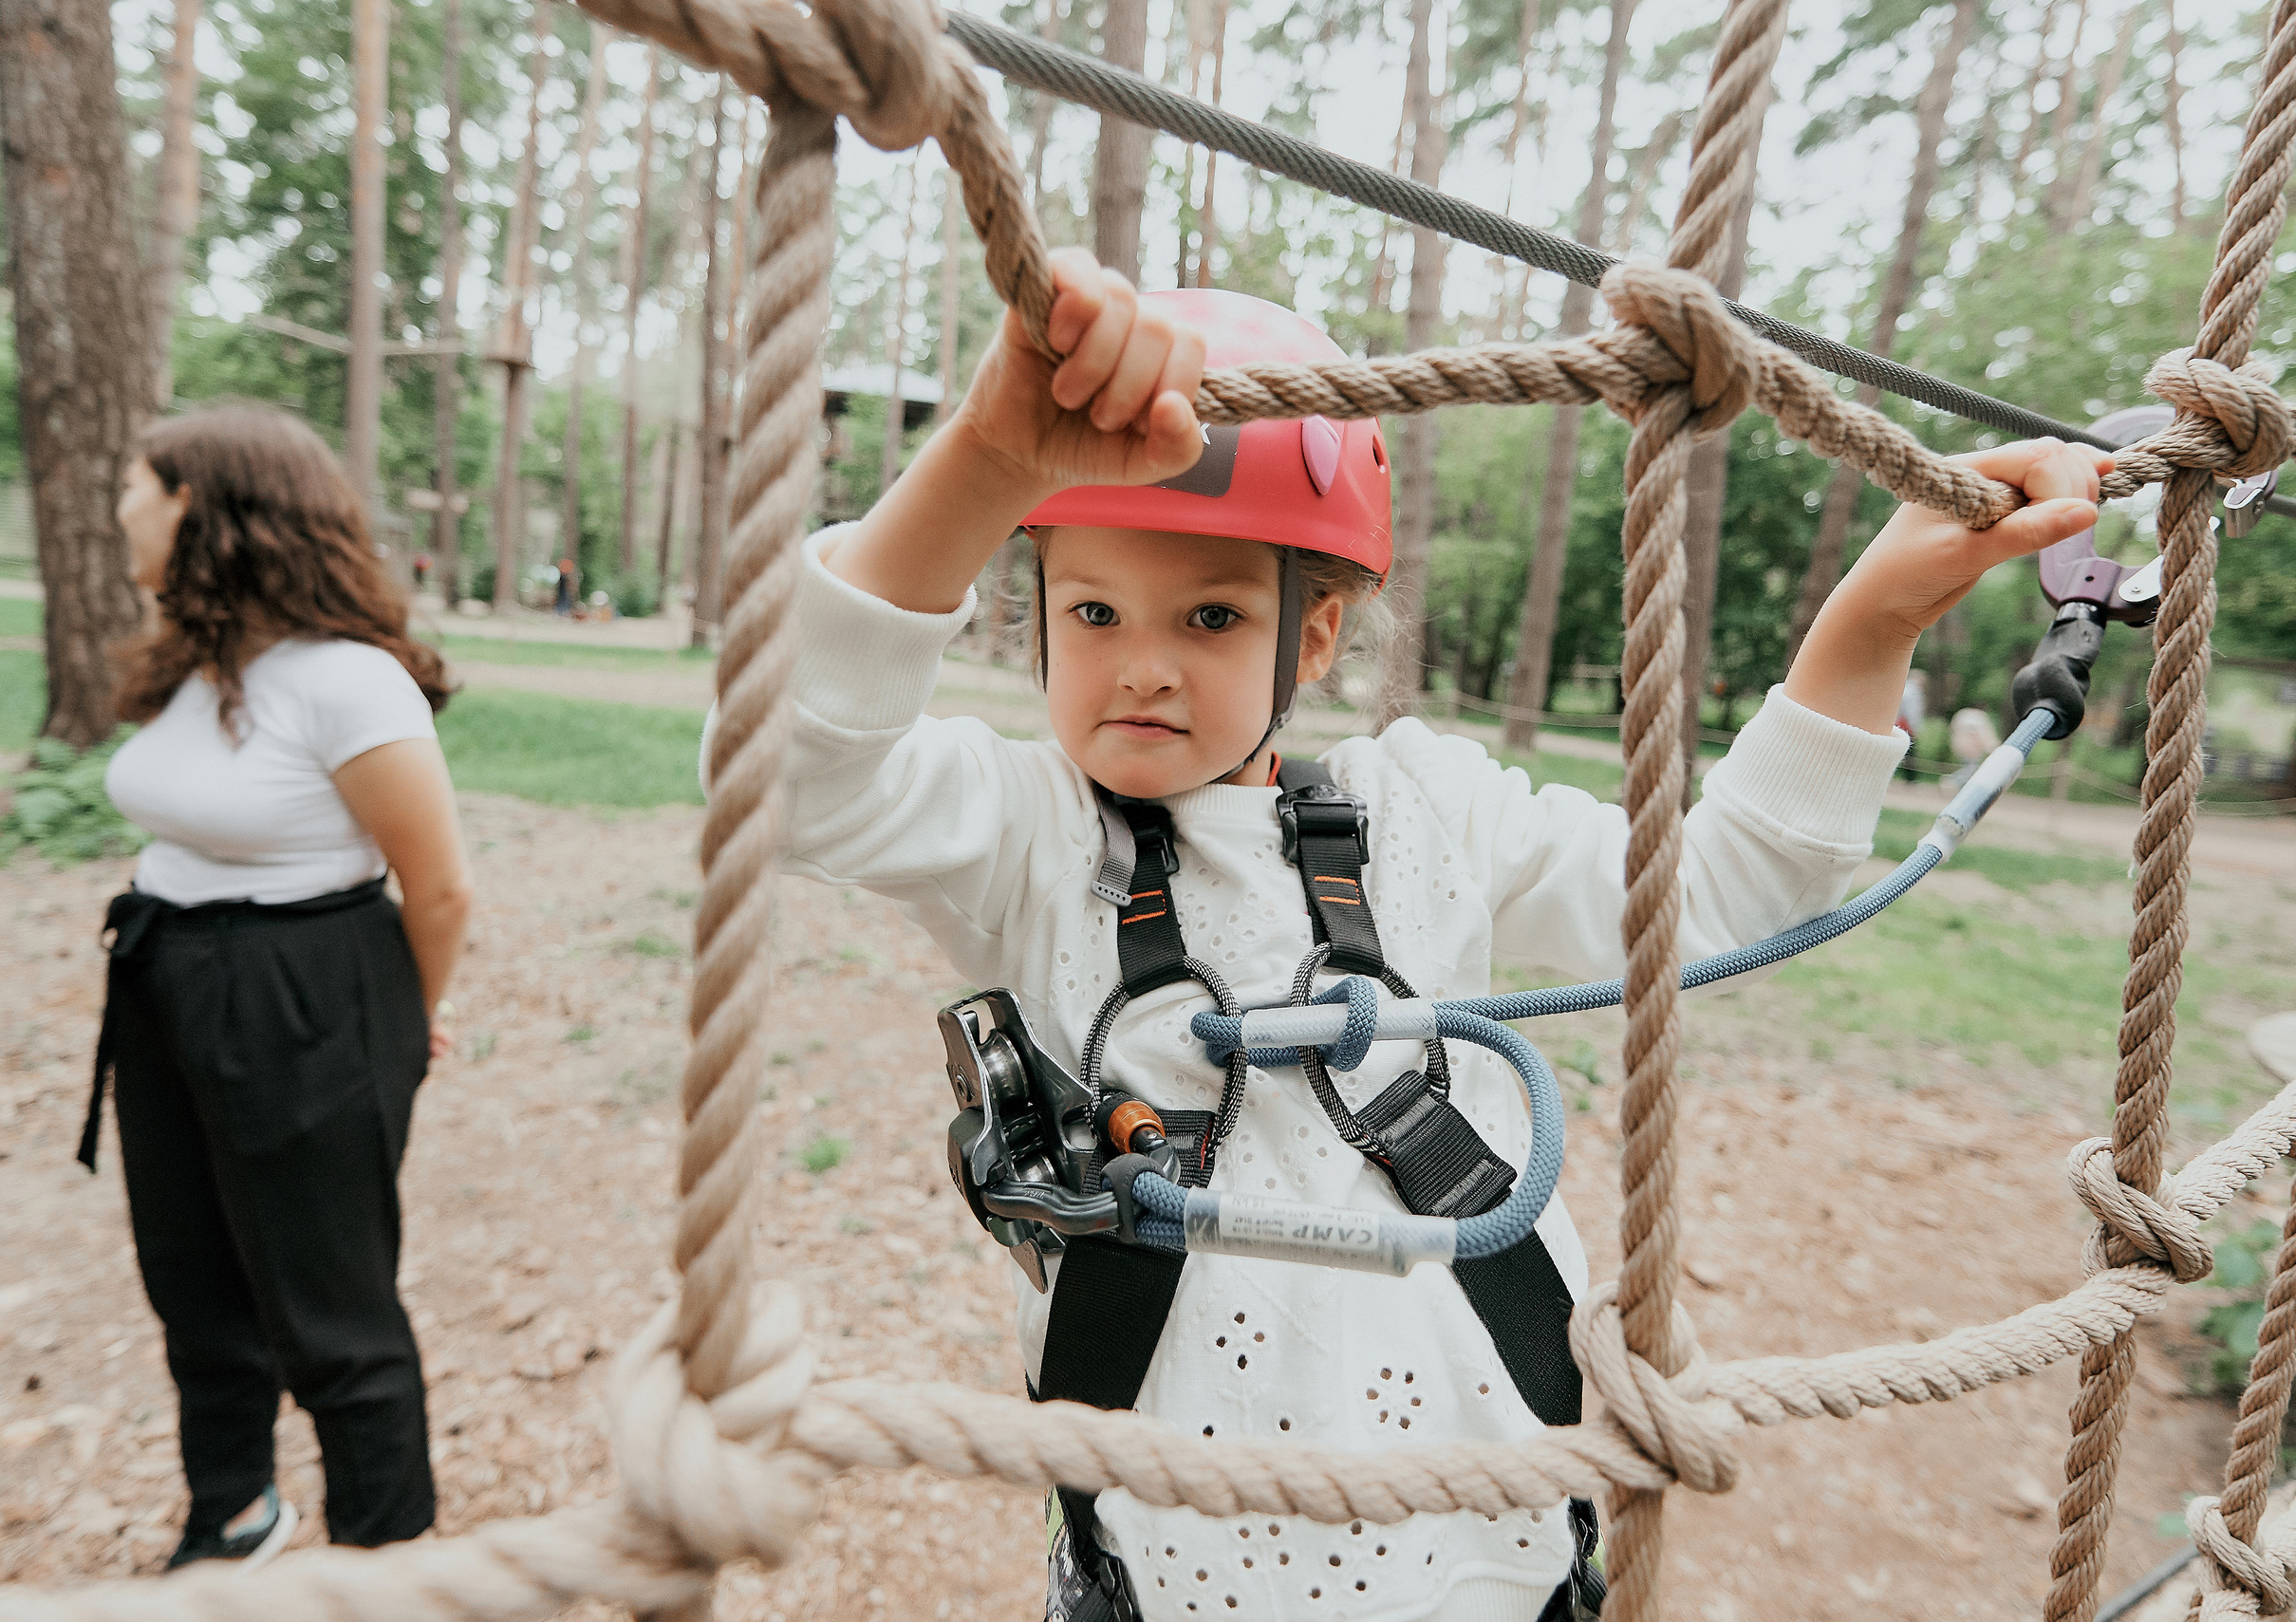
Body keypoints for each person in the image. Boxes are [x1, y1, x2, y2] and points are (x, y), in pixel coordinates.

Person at [764, 254, 2107, 1622]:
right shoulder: (1028, 834)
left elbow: (1716, 895)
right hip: (1183, 1567)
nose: (1143, 664)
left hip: (1493, 1539)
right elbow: (789, 775)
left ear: (1319, 633)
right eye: (1091, 609)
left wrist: (1872, 616)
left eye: (1213, 614)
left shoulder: (1429, 811)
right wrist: (985, 466)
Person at [90, 402, 474, 1572]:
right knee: (192, 1278)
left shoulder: (344, 681)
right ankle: (235, 1513)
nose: (118, 508)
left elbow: (440, 885)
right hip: (167, 983)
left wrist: (398, 1026)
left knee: (331, 1312)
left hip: (303, 995)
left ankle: (387, 1566)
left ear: (205, 508)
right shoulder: (201, 665)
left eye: (134, 486)